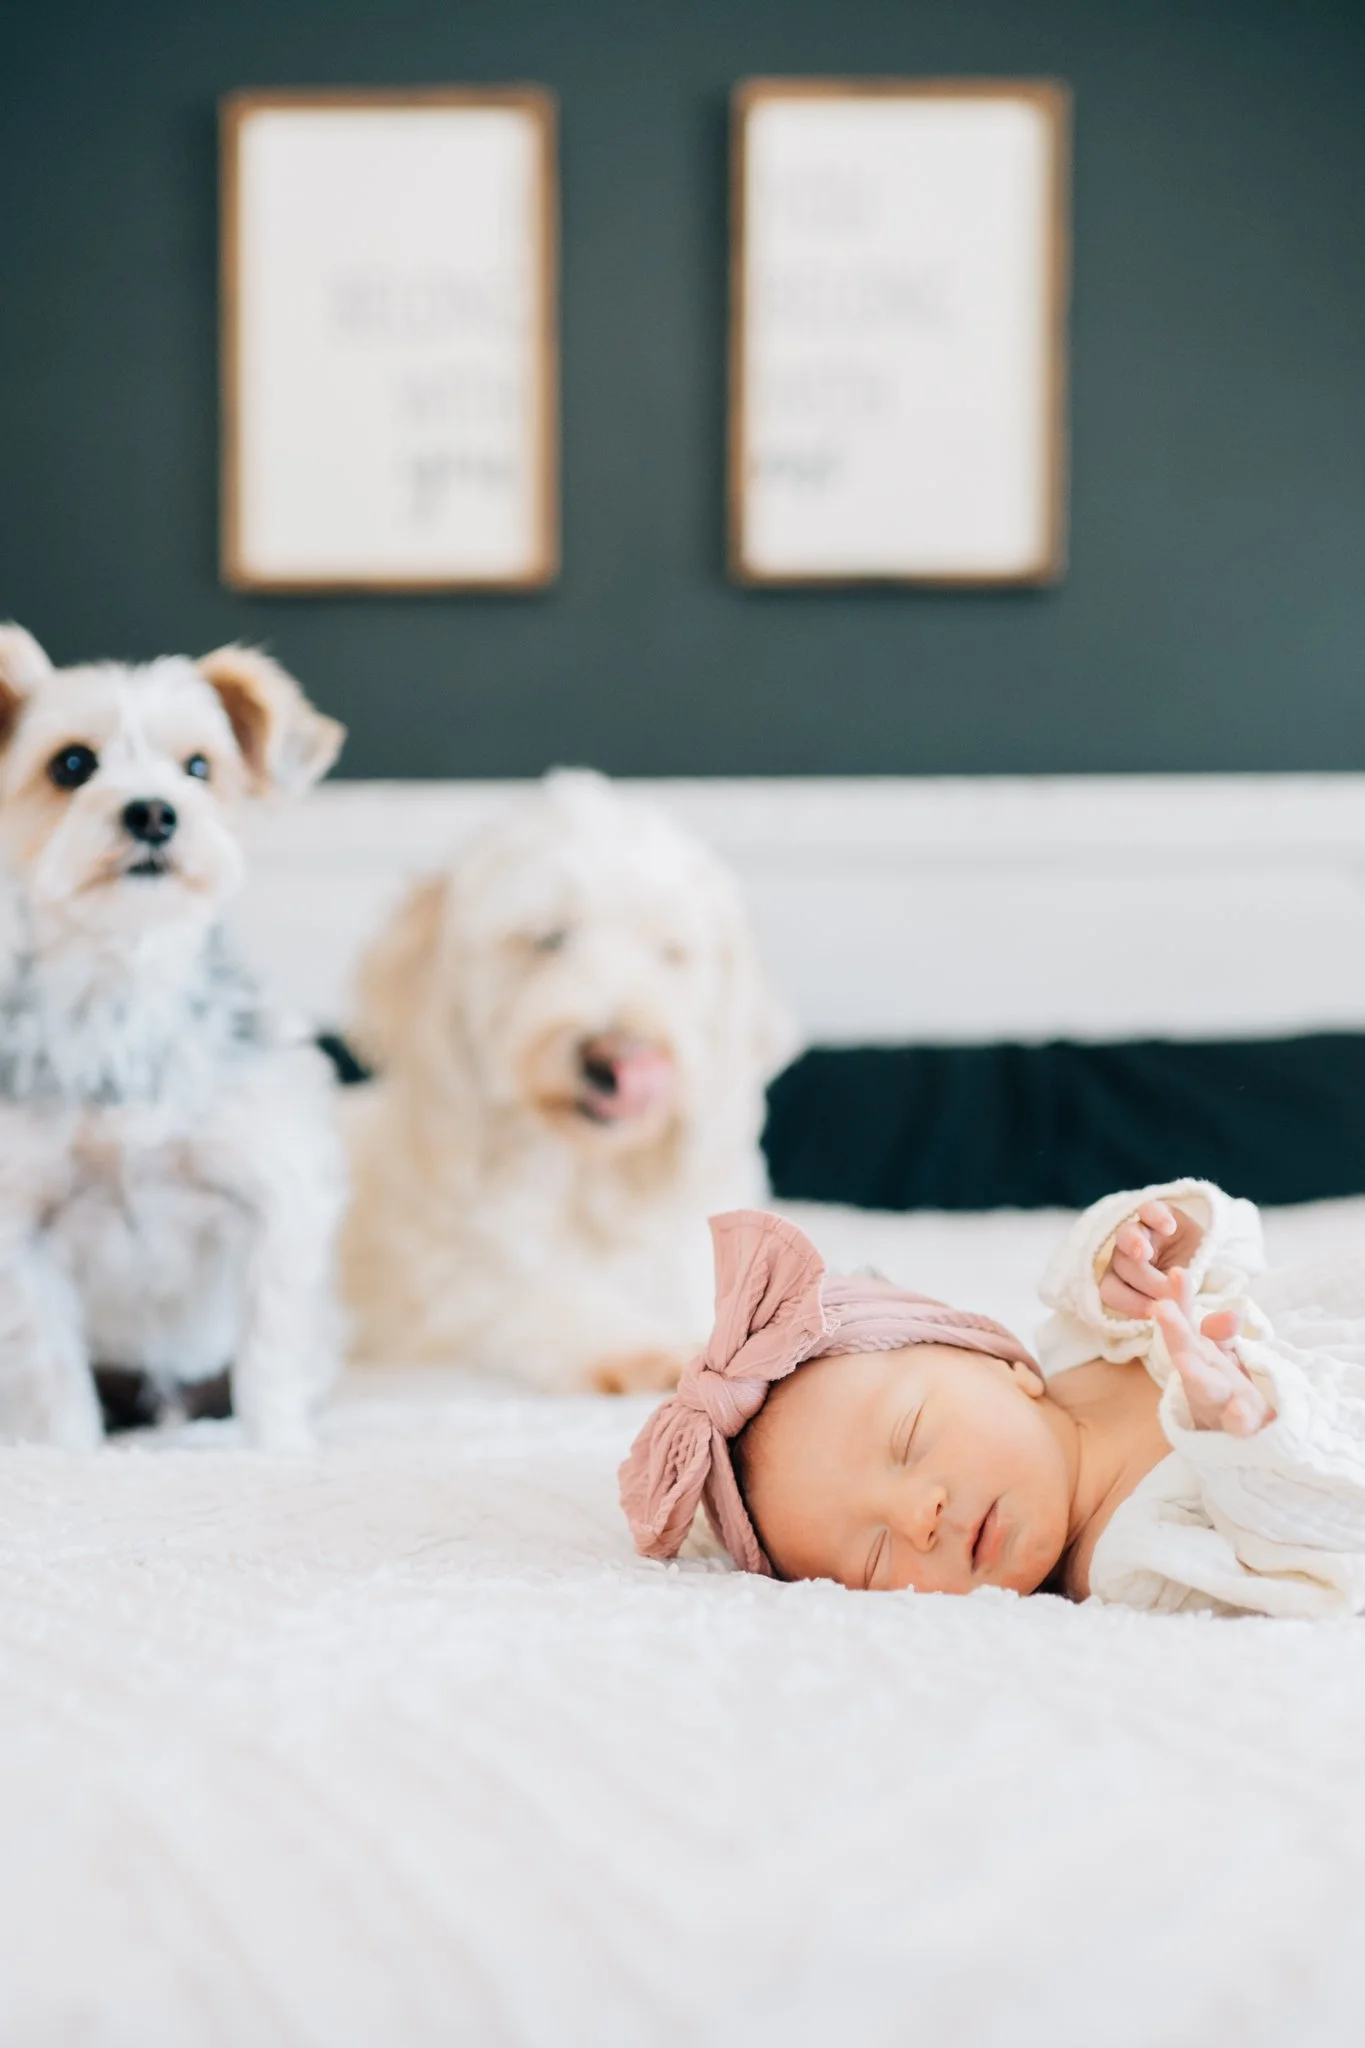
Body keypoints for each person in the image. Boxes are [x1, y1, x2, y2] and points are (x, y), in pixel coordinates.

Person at [619, 1181, 1365, 1616]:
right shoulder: (1131, 1559)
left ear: (998, 1358)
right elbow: (1323, 1559)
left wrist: (1157, 1240)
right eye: (875, 1559)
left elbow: (1233, 1241)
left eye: (910, 1437)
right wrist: (1249, 1438)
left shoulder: (1091, 1328)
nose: (918, 1517)